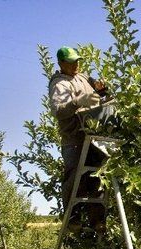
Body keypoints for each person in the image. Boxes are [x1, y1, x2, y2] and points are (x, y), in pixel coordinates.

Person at [49, 46, 108, 234]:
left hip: (93, 135)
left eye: (77, 61)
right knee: (74, 177)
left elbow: (102, 97)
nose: (76, 65)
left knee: (96, 177)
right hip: (74, 137)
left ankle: (97, 220)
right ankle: (72, 219)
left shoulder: (84, 78)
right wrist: (78, 101)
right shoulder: (60, 84)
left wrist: (101, 90)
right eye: (71, 62)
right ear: (61, 63)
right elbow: (59, 111)